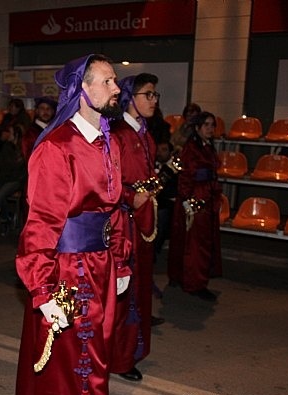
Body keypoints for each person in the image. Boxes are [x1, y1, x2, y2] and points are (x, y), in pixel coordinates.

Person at [16, 54, 132, 395]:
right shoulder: (57, 147)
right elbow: (41, 221)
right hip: (68, 272)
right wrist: (43, 288)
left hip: (102, 266)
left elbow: (115, 207)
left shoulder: (110, 141)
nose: (116, 88)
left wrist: (121, 261)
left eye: (115, 81)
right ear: (82, 89)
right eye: (107, 82)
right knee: (72, 364)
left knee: (98, 354)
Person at [109, 72, 160, 382]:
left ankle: (130, 350)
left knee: (138, 288)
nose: (153, 100)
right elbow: (109, 183)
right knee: (122, 294)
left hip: (141, 222)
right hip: (123, 224)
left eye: (155, 95)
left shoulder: (144, 134)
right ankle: (119, 357)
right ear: (131, 98)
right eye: (148, 94)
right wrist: (131, 196)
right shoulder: (118, 135)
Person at [167, 111, 222, 301]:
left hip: (207, 196)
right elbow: (185, 177)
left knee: (192, 240)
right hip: (196, 197)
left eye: (212, 125)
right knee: (197, 243)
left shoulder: (208, 147)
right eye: (206, 125)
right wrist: (186, 200)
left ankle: (183, 277)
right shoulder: (192, 149)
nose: (210, 129)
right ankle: (195, 283)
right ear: (197, 128)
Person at [0, 123, 26, 236]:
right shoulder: (6, 146)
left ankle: (5, 219)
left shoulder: (22, 148)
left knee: (1, 194)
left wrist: (12, 164)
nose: (7, 134)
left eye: (10, 132)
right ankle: (3, 214)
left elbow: (21, 167)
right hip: (5, 177)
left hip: (16, 179)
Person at [21, 96, 57, 162]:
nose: (46, 111)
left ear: (53, 111)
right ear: (37, 111)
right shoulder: (31, 133)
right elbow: (28, 156)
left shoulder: (57, 130)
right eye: (42, 108)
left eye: (49, 108)